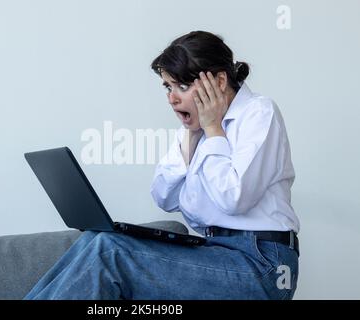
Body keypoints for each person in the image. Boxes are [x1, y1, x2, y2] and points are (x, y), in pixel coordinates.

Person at [23, 30, 300, 300]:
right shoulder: (195, 130)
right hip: (215, 252)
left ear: (218, 82)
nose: (172, 98)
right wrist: (193, 135)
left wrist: (213, 127)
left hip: (262, 265)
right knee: (93, 240)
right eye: (168, 87)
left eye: (183, 86)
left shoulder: (259, 113)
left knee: (110, 252)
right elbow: (164, 196)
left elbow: (233, 199)